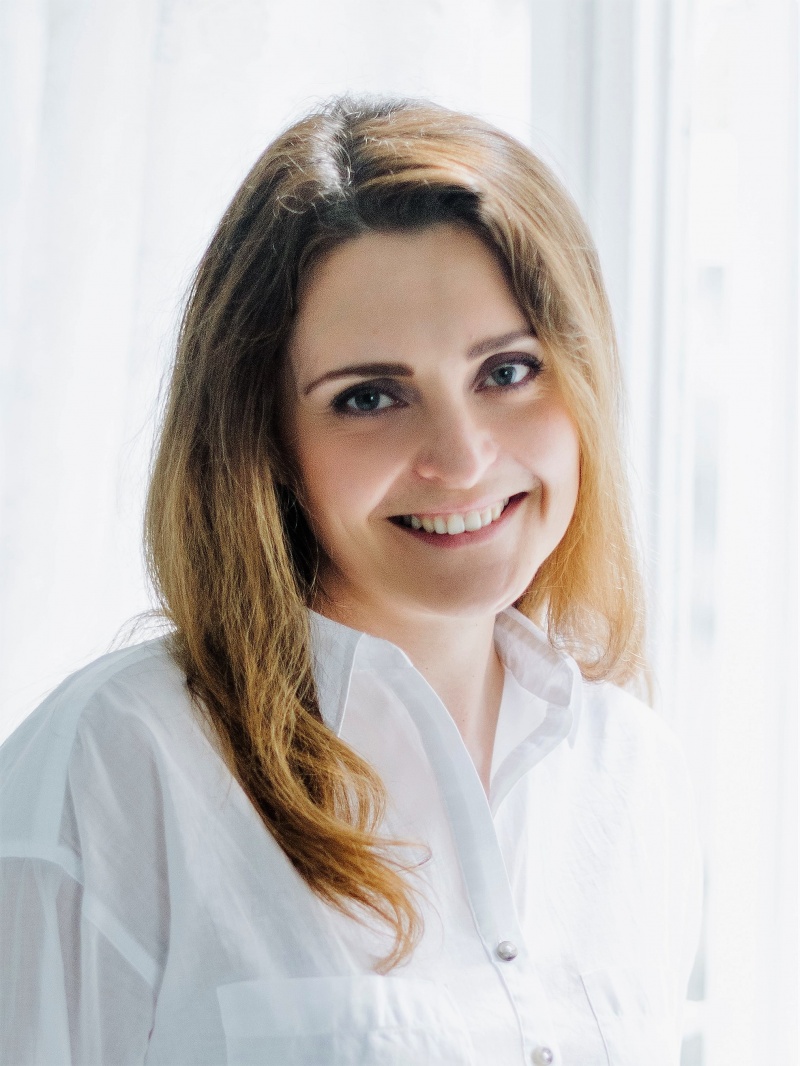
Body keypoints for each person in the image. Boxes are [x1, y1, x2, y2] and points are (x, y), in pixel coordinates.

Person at [0, 96, 702, 1065]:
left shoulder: (636, 777)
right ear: (266, 441)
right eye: (370, 397)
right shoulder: (112, 771)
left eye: (506, 372)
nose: (461, 459)